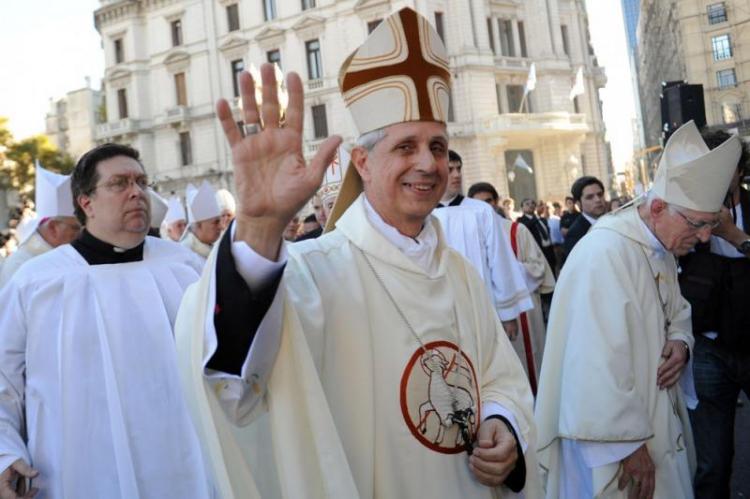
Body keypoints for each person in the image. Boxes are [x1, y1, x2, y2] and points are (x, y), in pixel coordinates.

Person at [176, 9, 540, 498]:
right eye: (405, 146)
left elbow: (500, 377)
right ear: (362, 163)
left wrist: (504, 423)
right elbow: (236, 387)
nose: (428, 163)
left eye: (437, 145)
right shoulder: (314, 275)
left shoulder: (460, 273)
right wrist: (260, 229)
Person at [534, 121, 741, 498]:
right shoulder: (605, 254)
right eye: (698, 224)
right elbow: (591, 361)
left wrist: (680, 343)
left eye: (711, 225)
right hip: (614, 443)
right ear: (658, 206)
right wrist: (626, 446)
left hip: (656, 420)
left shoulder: (659, 244)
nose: (706, 238)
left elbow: (677, 310)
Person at [0, 143, 212, 498]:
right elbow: (4, 381)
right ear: (86, 202)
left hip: (183, 465)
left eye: (141, 182)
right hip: (79, 468)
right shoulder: (37, 281)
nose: (136, 192)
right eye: (119, 183)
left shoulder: (185, 266)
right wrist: (5, 453)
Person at [679, 129, 750, 498]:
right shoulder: (684, 212)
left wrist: (732, 232)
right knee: (712, 461)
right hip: (708, 348)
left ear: (739, 169)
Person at [434, 151, 533, 337]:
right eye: (450, 169)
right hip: (440, 313)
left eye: (459, 168)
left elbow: (500, 260)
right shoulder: (422, 214)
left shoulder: (481, 211)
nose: (457, 175)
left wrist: (508, 314)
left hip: (483, 307)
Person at [468, 182, 555, 394]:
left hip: (521, 314)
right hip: (485, 315)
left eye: (488, 201)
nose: (485, 207)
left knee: (529, 366)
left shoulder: (516, 230)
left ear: (496, 202)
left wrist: (504, 271)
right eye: (478, 203)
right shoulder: (467, 233)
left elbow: (538, 268)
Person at [0, 167, 81, 288]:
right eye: (75, 228)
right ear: (53, 228)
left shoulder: (68, 256)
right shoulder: (20, 266)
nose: (80, 234)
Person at [561, 176, 606, 262]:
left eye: (600, 194)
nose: (598, 200)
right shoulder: (574, 235)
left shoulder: (613, 222)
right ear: (578, 203)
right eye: (590, 197)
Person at [181, 181, 223, 262]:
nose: (221, 226)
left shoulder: (217, 247)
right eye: (216, 222)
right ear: (199, 225)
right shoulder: (185, 254)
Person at [517, 198, 556, 269]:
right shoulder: (521, 221)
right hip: (536, 254)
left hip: (548, 252)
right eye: (527, 204)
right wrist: (535, 219)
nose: (531, 205)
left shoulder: (542, 219)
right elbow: (525, 227)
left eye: (532, 203)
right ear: (522, 208)